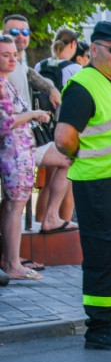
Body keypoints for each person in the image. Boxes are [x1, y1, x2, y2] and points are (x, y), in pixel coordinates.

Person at [54, 21, 111, 350]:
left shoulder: (109, 81)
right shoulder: (83, 85)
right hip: (100, 183)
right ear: (93, 50)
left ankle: (110, 316)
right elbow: (64, 138)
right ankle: (98, 328)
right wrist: (86, 156)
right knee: (103, 253)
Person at [1, 35, 76, 279]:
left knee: (13, 205)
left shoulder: (8, 80)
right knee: (15, 206)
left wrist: (36, 113)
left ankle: (13, 259)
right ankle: (12, 264)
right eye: (6, 55)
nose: (13, 59)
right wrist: (32, 114)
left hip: (22, 150)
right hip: (13, 153)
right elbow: (4, 123)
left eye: (14, 55)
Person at [32, 27, 79, 226]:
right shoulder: (75, 69)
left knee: (47, 184)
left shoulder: (38, 65)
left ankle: (39, 222)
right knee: (67, 182)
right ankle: (62, 225)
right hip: (64, 129)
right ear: (73, 45)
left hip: (42, 128)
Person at [2, 15, 62, 116]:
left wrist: (51, 89)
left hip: (24, 129)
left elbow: (29, 72)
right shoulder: (4, 64)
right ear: (3, 34)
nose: (20, 36)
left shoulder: (20, 62)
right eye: (14, 32)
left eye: (25, 32)